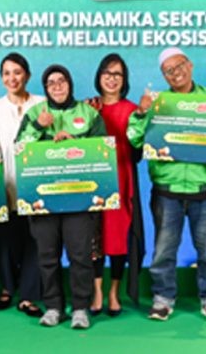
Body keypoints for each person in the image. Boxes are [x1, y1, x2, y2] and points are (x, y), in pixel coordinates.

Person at [127, 47, 206, 323]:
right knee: (163, 251)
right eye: (168, 70)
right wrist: (141, 112)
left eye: (179, 66)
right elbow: (134, 139)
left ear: (191, 65)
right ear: (163, 76)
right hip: (167, 190)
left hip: (205, 189)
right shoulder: (157, 104)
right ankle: (162, 299)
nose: (176, 73)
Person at [16, 64, 107, 329]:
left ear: (70, 83)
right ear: (45, 88)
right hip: (44, 198)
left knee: (80, 255)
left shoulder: (89, 113)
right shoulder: (35, 113)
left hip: (79, 199)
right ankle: (54, 306)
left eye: (62, 80)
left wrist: (74, 144)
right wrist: (38, 126)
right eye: (51, 82)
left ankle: (80, 308)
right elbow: (20, 149)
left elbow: (102, 152)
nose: (57, 86)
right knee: (47, 256)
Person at [0, 53, 44, 318]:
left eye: (17, 72)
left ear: (27, 76)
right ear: (2, 78)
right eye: (7, 73)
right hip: (5, 180)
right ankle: (7, 287)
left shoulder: (42, 104)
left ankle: (29, 295)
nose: (12, 78)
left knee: (36, 239)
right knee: (3, 238)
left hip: (35, 184)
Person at [87, 53, 144, 316]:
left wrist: (142, 116)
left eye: (117, 74)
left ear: (124, 79)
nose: (112, 79)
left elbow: (137, 148)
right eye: (107, 73)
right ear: (99, 76)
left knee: (118, 238)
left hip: (122, 180)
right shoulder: (87, 108)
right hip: (93, 183)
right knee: (94, 237)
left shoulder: (133, 111)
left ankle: (114, 292)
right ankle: (97, 290)